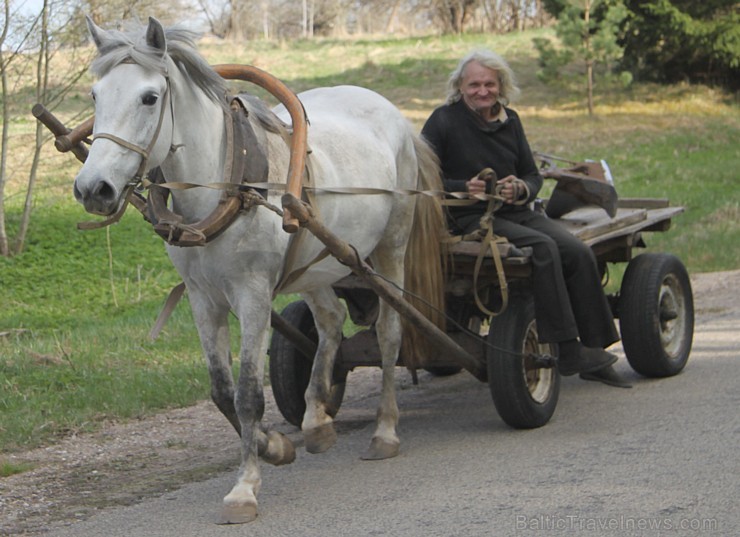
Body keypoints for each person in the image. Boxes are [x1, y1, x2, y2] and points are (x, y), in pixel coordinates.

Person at [421, 48, 629, 388]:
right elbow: (421, 178)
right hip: (469, 219)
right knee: (544, 248)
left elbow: (533, 176)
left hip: (515, 211)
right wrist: (463, 187)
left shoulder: (511, 120)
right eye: (474, 85)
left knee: (576, 251)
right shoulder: (443, 120)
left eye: (489, 84)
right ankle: (566, 347)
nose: (482, 91)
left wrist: (520, 188)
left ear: (501, 86)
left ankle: (594, 346)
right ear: (460, 86)